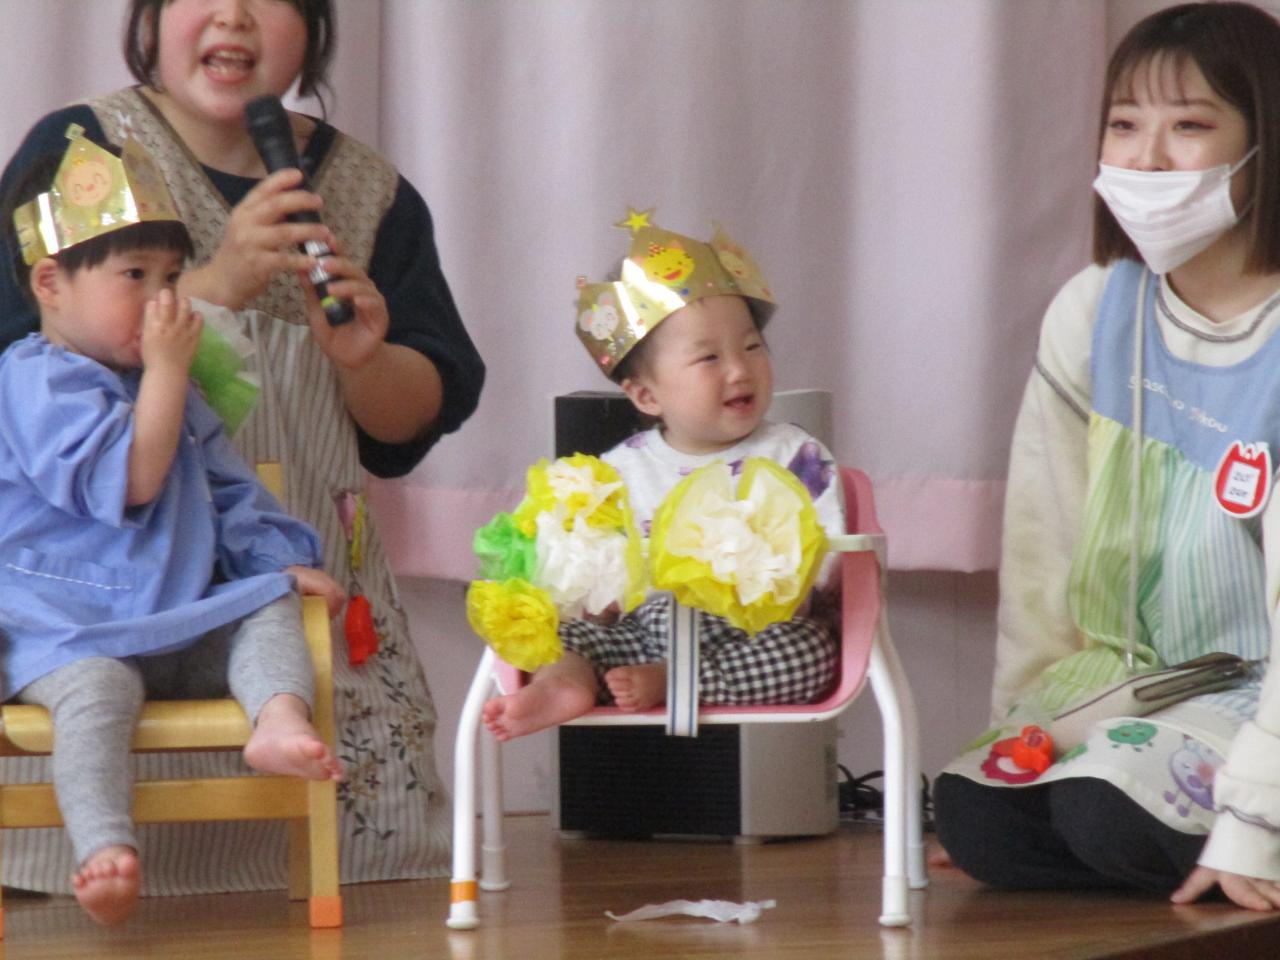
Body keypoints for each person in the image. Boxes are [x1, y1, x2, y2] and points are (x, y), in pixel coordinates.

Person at [0, 0, 484, 894]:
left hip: (294, 557)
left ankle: (297, 767)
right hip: (98, 589)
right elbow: (21, 364)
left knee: (285, 662)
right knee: (96, 701)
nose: (233, 15)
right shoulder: (78, 152)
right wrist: (211, 285)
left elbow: (415, 419)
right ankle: (100, 853)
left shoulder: (370, 188)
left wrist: (362, 358)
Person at [934, 2, 1280, 912]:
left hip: (1263, 694)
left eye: (1189, 126)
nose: (1147, 158)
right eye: (1125, 125)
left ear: (1266, 145)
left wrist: (1257, 819)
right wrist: (1019, 736)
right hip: (1153, 685)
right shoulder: (1095, 309)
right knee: (978, 818)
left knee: (1107, 818)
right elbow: (1042, 541)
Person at [0, 129, 345, 926]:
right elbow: (132, 480)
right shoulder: (33, 379)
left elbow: (229, 494)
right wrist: (165, 371)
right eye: (134, 276)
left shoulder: (172, 388)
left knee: (267, 604)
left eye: (170, 277)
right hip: (69, 629)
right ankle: (103, 848)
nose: (162, 300)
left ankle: (277, 720)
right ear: (51, 283)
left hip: (176, 620)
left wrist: (274, 562)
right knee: (95, 696)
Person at [482, 210, 844, 741]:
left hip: (752, 631)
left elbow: (832, 553)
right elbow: (594, 574)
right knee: (561, 636)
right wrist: (592, 597)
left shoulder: (795, 453)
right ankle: (565, 683)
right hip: (643, 634)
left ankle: (680, 680)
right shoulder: (616, 471)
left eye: (752, 347)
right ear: (647, 395)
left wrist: (797, 578)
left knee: (812, 653)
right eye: (709, 358)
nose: (739, 369)